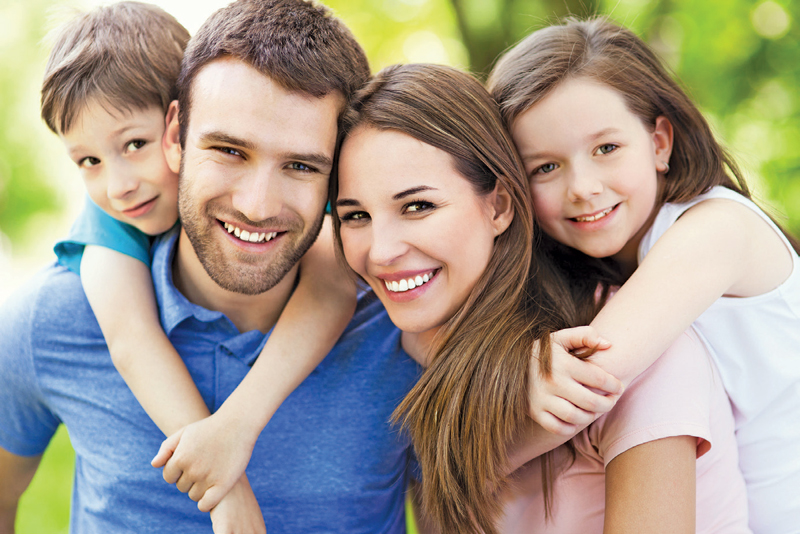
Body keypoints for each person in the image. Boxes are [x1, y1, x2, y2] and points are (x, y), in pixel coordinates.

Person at [0, 1, 420, 532]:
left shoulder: (403, 330)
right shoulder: (51, 319)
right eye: (228, 150)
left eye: (300, 165)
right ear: (176, 136)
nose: (257, 205)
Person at [331, 63, 748, 534]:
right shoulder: (400, 355)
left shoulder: (630, 353)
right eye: (356, 216)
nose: (382, 251)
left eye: (418, 206)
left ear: (500, 206)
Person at [488, 17, 800, 532]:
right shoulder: (600, 276)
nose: (583, 187)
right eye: (544, 167)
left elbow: (588, 380)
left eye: (606, 149)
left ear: (659, 142)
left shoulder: (716, 228)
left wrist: (440, 459)